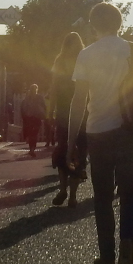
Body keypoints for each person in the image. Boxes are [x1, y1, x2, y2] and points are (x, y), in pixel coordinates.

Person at [67, 2, 133, 264]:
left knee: (102, 198)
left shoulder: (87, 54)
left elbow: (79, 100)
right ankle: (128, 242)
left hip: (99, 132)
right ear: (119, 23)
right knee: (130, 193)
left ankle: (107, 257)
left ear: (93, 25)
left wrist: (71, 141)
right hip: (131, 132)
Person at [49, 32, 86, 207]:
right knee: (79, 151)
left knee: (63, 150)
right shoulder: (84, 59)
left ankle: (63, 189)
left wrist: (50, 112)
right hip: (82, 113)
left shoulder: (59, 60)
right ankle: (72, 195)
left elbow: (53, 88)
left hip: (63, 112)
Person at [21, 83, 46, 157]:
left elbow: (23, 108)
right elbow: (44, 107)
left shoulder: (27, 98)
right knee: (34, 134)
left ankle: (31, 149)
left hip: (30, 117)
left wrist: (24, 116)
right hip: (36, 117)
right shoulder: (39, 97)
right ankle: (32, 149)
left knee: (32, 133)